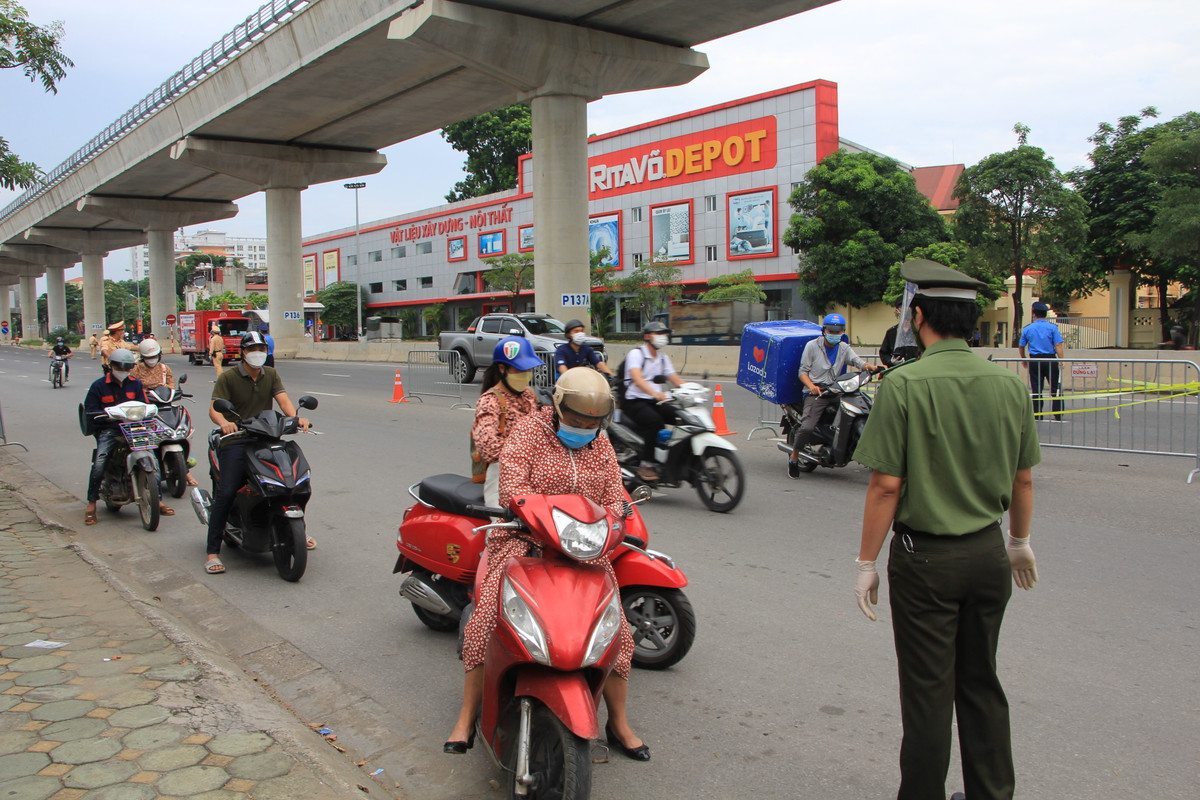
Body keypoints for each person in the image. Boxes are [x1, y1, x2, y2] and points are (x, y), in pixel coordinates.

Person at [852, 259, 1041, 800]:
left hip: (925, 560)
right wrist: (1019, 543)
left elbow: (886, 486)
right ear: (973, 320)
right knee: (982, 684)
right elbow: (1023, 479)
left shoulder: (904, 384)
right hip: (988, 554)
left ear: (918, 316)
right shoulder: (1008, 385)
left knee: (928, 695)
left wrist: (866, 563)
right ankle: (991, 794)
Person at [445, 367, 648, 762]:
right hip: (527, 543)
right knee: (486, 619)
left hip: (585, 552)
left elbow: (612, 495)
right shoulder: (527, 433)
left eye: (593, 421)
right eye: (577, 419)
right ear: (558, 407)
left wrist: (615, 518)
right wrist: (530, 514)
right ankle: (468, 715)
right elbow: (512, 487)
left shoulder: (600, 444)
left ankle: (618, 721)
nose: (585, 426)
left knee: (617, 633)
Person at [203, 331, 311, 574]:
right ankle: (212, 552)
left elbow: (283, 400)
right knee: (228, 491)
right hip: (236, 440)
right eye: (252, 349)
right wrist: (224, 424)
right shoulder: (229, 377)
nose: (258, 354)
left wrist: (295, 418)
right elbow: (214, 409)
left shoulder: (270, 374)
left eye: (262, 349)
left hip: (266, 437)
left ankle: (296, 529)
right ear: (243, 352)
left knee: (292, 481)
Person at [82, 349, 175, 525]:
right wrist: (103, 414)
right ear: (112, 367)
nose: (124, 371)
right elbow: (90, 410)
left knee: (152, 458)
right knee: (100, 460)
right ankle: (91, 503)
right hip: (111, 429)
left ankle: (158, 500)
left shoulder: (135, 384)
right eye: (120, 367)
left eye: (127, 367)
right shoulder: (98, 386)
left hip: (135, 428)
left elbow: (144, 405)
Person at [788, 313, 882, 477]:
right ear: (824, 330)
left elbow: (858, 362)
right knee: (808, 426)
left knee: (863, 407)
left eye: (838, 332)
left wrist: (870, 367)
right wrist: (811, 386)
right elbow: (802, 372)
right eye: (831, 331)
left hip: (837, 389)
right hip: (817, 392)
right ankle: (794, 458)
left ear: (842, 332)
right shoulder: (812, 346)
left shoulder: (844, 348)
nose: (834, 335)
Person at [472, 337, 540, 507]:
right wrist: (527, 451)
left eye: (529, 369)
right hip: (502, 478)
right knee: (501, 530)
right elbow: (489, 448)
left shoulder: (529, 396)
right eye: (520, 369)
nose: (526, 373)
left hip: (535, 475)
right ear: (502, 369)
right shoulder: (490, 401)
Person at [621, 320, 685, 481]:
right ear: (648, 336)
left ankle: (668, 455)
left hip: (655, 401)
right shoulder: (636, 354)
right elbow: (637, 379)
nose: (663, 337)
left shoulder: (663, 358)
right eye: (659, 334)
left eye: (664, 334)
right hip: (635, 401)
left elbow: (675, 379)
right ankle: (646, 465)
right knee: (655, 422)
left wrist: (694, 389)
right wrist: (655, 393)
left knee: (680, 417)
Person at [132, 338, 198, 488]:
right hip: (147, 409)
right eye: (148, 357)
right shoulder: (136, 370)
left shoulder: (164, 369)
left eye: (154, 356)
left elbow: (171, 386)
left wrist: (168, 390)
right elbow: (133, 387)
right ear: (143, 357)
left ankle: (185, 469)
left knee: (183, 431)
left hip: (166, 407)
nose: (151, 360)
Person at [1018, 301, 1065, 422]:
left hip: (1035, 360)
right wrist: (1062, 360)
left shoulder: (1028, 329)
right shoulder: (1052, 328)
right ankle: (1058, 413)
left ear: (1034, 314)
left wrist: (1023, 359)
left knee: (1036, 388)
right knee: (1055, 387)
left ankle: (1038, 413)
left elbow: (1021, 346)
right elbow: (1058, 345)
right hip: (1050, 359)